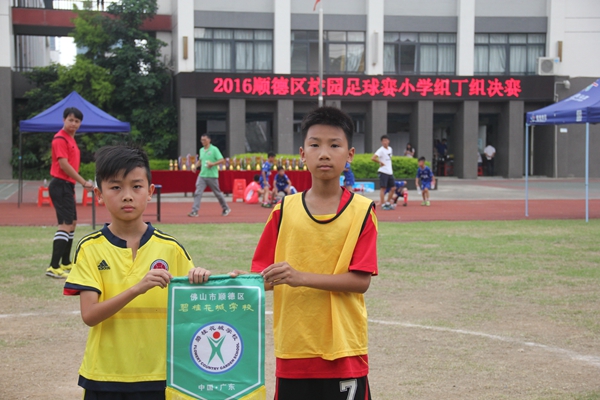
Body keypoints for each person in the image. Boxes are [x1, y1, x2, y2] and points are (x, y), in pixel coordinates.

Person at [231, 106, 377, 400]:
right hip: (294, 347)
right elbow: (265, 277)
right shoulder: (283, 210)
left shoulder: (362, 211)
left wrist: (300, 277)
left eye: (334, 145)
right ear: (302, 154)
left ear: (349, 154)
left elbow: (360, 281)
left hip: (343, 348)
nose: (324, 154)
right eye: (315, 145)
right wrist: (240, 281)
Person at [64, 145, 211, 399]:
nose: (127, 196)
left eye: (136, 186)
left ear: (150, 192)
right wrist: (137, 288)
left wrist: (202, 279)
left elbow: (193, 309)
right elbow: (89, 315)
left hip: (160, 374)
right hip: (104, 376)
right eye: (116, 187)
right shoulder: (90, 248)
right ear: (99, 194)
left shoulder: (171, 248)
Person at [46, 107, 94, 279]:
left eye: (77, 121)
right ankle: (53, 266)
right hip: (60, 184)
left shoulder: (70, 139)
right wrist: (83, 182)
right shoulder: (60, 139)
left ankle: (65, 262)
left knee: (72, 223)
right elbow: (64, 165)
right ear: (64, 120)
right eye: (70, 120)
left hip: (67, 185)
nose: (73, 123)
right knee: (65, 224)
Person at [188, 134, 231, 217]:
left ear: (209, 140)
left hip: (212, 176)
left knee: (217, 193)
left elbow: (222, 160)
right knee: (198, 192)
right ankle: (194, 211)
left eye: (204, 140)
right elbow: (201, 160)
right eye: (201, 140)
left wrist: (213, 164)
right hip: (202, 175)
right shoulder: (201, 150)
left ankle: (226, 208)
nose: (203, 142)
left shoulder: (214, 149)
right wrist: (195, 166)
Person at [372, 135, 395, 210]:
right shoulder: (380, 150)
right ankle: (382, 204)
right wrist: (380, 162)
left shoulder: (390, 149)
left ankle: (388, 202)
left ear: (388, 141)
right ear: (381, 142)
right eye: (383, 141)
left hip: (390, 171)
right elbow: (373, 158)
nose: (385, 142)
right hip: (383, 171)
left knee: (393, 188)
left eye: (386, 140)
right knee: (383, 188)